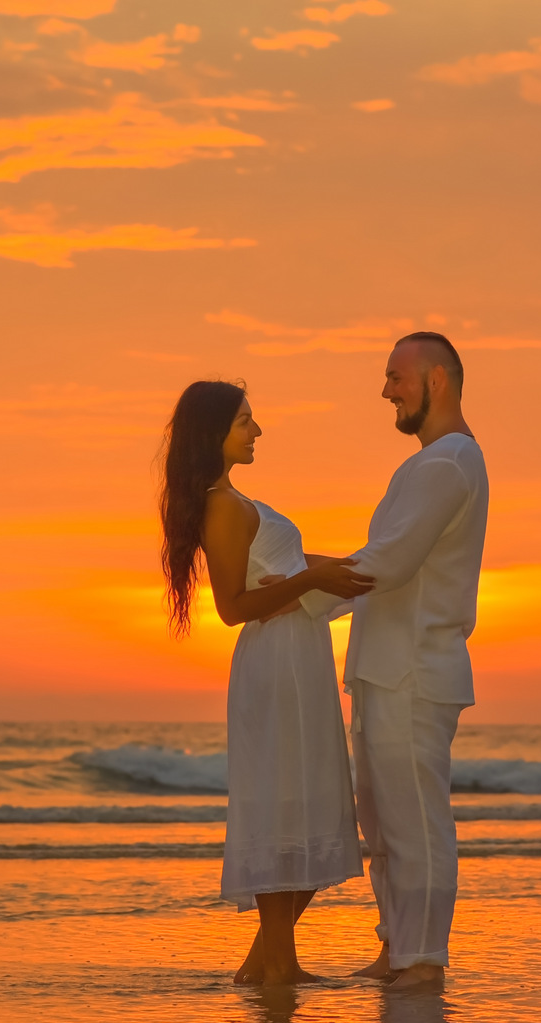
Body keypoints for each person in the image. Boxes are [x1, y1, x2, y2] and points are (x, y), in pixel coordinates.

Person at [159, 380, 374, 986]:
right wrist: (313, 582)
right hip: (274, 664)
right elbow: (233, 605)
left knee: (311, 800)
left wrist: (371, 567)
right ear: (215, 433)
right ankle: (276, 962)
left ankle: (269, 964)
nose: (257, 431)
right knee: (288, 801)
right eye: (246, 421)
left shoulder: (237, 499)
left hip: (297, 657)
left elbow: (291, 568)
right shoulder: (221, 505)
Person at [300, 332, 489, 989]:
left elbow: (389, 562)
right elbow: (381, 568)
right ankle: (398, 946)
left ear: (437, 378)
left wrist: (284, 583)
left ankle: (423, 958)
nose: (385, 390)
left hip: (413, 671)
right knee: (382, 820)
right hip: (387, 668)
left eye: (394, 376)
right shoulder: (429, 464)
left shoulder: (448, 462)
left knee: (415, 819)